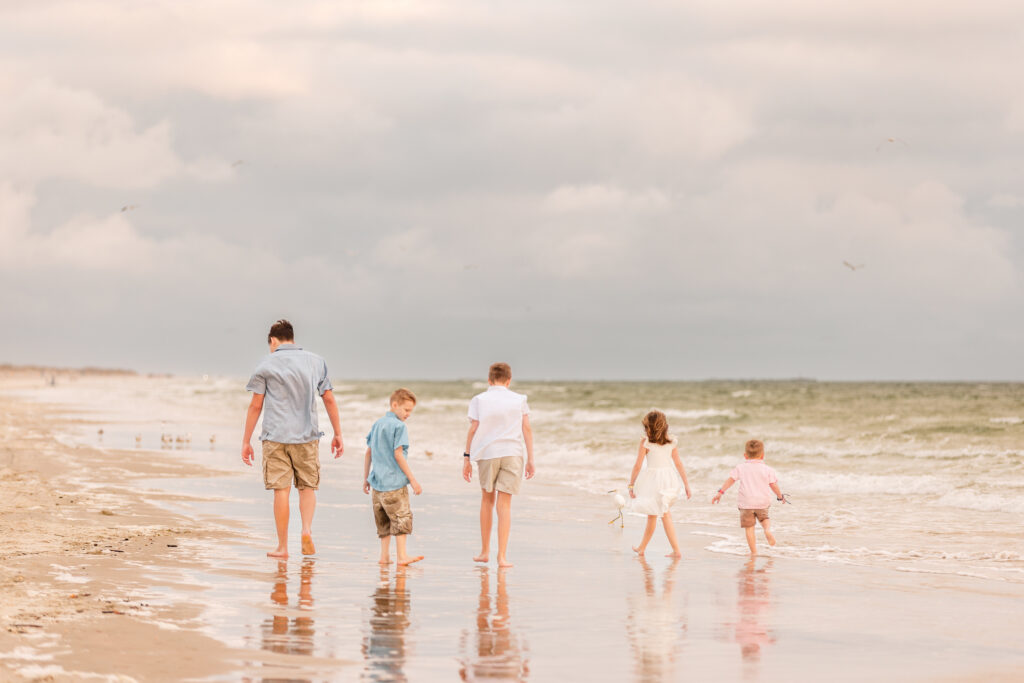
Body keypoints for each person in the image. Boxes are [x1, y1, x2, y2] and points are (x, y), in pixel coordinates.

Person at [242, 319, 344, 559]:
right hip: (307, 436)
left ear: (273, 340)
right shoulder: (316, 361)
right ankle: (306, 530)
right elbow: (328, 398)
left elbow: (256, 405)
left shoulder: (265, 363)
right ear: (292, 338)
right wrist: (338, 433)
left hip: (275, 436)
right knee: (307, 487)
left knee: (282, 491)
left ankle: (283, 547)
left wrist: (246, 440)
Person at [462, 363, 535, 568]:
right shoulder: (519, 399)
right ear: (509, 380)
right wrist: (531, 459)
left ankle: (485, 552)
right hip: (513, 454)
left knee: (487, 501)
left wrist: (466, 458)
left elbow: (472, 429)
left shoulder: (479, 400)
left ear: (489, 380)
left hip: (487, 454)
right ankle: (502, 557)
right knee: (505, 505)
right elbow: (527, 429)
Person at [364, 388, 424, 566]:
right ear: (394, 405)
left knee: (383, 524)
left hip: (377, 486)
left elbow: (368, 453)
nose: (408, 414)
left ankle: (384, 557)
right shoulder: (399, 426)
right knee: (401, 520)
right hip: (395, 484)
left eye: (410, 411)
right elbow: (398, 455)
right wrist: (412, 480)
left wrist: (365, 478)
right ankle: (402, 556)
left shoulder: (377, 424)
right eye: (406, 410)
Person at [628, 410, 692, 557]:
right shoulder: (671, 441)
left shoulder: (645, 442)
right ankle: (649, 548)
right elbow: (678, 464)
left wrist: (631, 484)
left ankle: (669, 550)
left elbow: (638, 465)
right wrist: (686, 485)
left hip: (654, 481)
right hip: (668, 479)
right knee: (661, 514)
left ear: (648, 427)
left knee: (657, 514)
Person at [711, 439, 784, 555]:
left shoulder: (740, 468)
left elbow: (730, 481)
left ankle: (753, 552)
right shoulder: (768, 469)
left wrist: (720, 493)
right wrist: (780, 496)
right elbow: (773, 485)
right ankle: (767, 530)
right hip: (762, 501)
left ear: (745, 455)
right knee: (764, 519)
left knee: (749, 528)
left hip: (746, 502)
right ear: (763, 455)